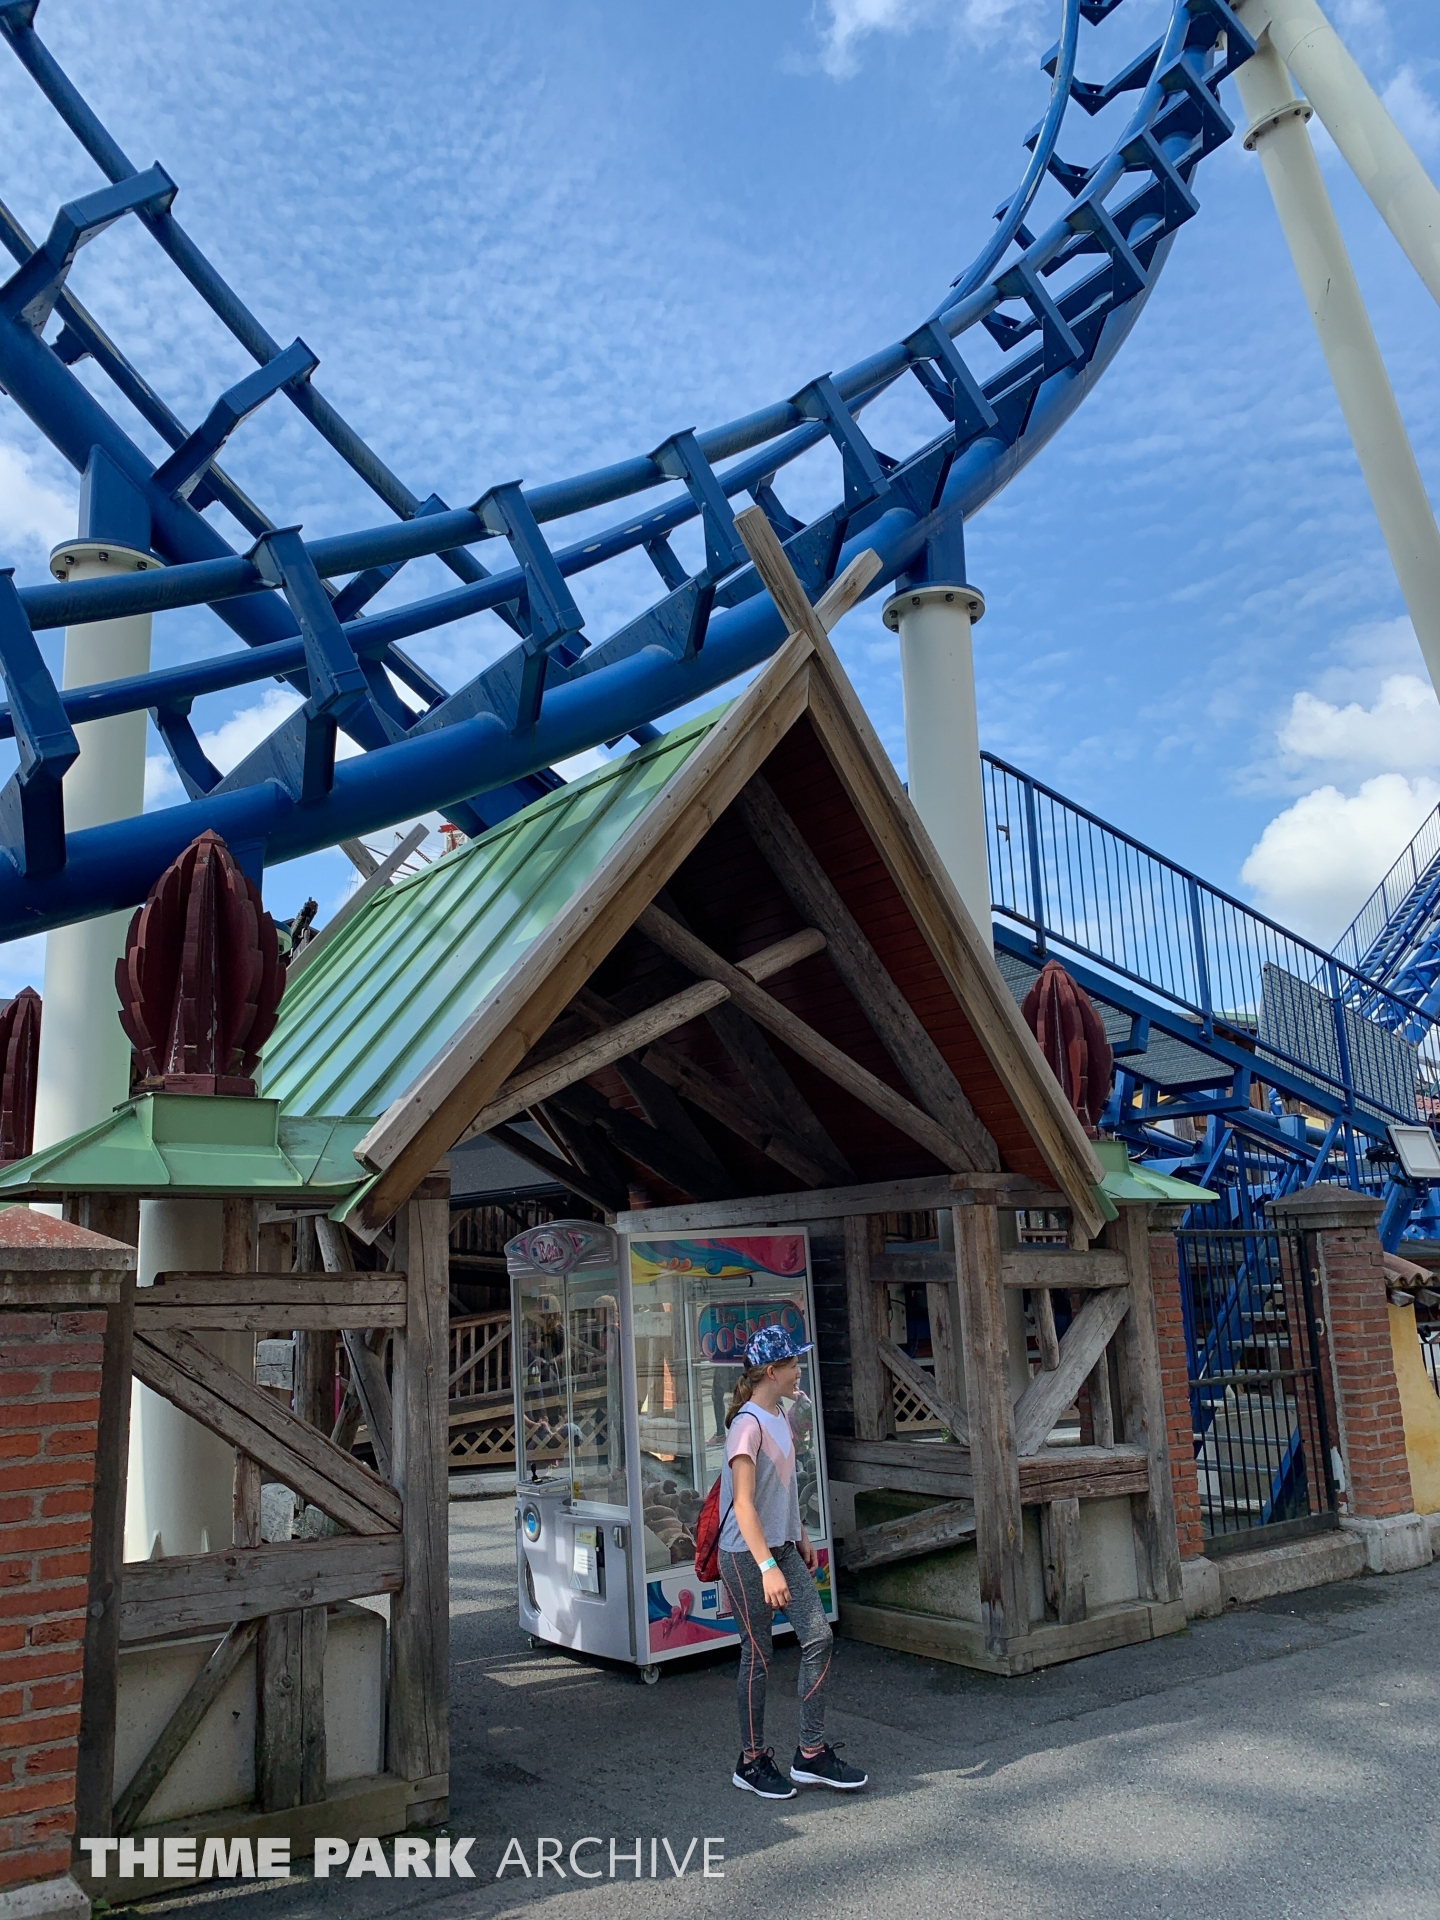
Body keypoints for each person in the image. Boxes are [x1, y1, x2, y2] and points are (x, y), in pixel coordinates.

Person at [717, 1324, 868, 1798]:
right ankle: (751, 1762)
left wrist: (799, 1533)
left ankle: (811, 1753)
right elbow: (743, 1505)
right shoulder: (747, 1425)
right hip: (745, 1555)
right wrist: (767, 1568)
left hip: (780, 1547)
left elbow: (780, 1486)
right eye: (793, 1362)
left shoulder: (780, 1413)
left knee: (818, 1637)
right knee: (758, 1654)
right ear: (771, 1371)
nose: (800, 1369)